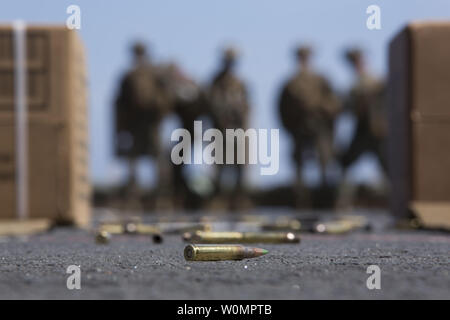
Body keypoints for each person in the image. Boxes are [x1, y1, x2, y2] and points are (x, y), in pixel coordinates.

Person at [278, 46, 339, 207]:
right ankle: (300, 199)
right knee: (298, 164)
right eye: (301, 57)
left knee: (325, 162)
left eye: (306, 57)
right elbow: (282, 109)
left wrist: (323, 111)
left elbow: (334, 103)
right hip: (300, 129)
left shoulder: (321, 80)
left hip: (319, 128)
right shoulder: (291, 83)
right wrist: (290, 128)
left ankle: (326, 199)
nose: (303, 61)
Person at [114, 42, 171, 207]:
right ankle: (134, 197)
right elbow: (120, 103)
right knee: (133, 161)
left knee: (159, 161)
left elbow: (166, 97)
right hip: (135, 125)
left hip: (152, 123)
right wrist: (122, 127)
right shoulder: (129, 76)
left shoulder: (155, 73)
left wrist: (159, 113)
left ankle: (161, 198)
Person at [337, 48, 388, 208]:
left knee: (386, 167)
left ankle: (392, 200)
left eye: (357, 61)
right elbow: (348, 108)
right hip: (362, 132)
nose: (357, 65)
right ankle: (343, 202)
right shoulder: (355, 86)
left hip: (377, 132)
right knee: (346, 164)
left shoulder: (375, 82)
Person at [207, 47, 251, 208]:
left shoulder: (240, 83)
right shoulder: (215, 82)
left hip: (238, 130)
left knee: (240, 166)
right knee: (219, 166)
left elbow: (247, 107)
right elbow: (210, 104)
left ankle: (239, 199)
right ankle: (218, 198)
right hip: (219, 130)